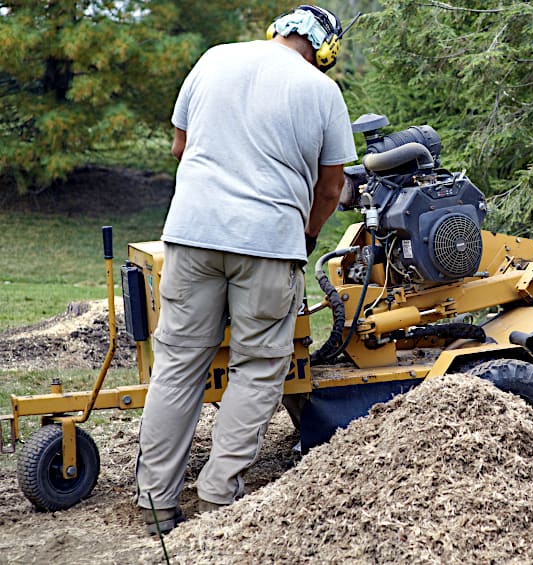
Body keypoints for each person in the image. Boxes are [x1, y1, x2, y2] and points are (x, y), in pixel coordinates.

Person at [134, 4, 358, 535]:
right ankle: (218, 499)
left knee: (178, 365)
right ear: (325, 52)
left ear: (276, 30)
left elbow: (180, 147)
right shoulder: (323, 92)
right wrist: (306, 237)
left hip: (189, 236)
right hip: (269, 243)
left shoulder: (212, 59)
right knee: (257, 367)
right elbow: (331, 188)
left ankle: (155, 502)